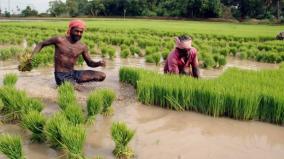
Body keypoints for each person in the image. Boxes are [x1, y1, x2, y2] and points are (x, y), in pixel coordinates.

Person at [31, 19, 106, 87]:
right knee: (79, 89)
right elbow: (41, 44)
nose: (79, 34)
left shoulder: (82, 46)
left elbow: (90, 63)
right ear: (70, 30)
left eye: (81, 32)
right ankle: (72, 85)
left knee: (102, 76)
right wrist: (32, 57)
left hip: (73, 73)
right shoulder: (59, 40)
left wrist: (99, 63)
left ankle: (73, 83)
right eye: (76, 31)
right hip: (61, 75)